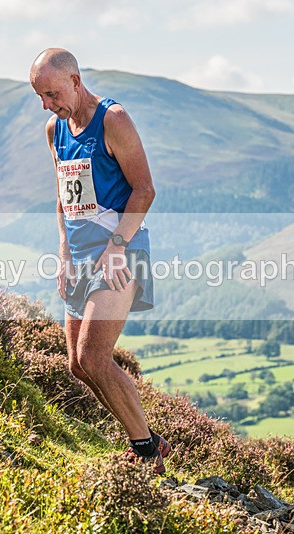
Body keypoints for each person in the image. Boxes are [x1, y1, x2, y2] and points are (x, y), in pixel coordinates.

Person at [29, 48, 171, 474]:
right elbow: (62, 199)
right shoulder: (55, 128)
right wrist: (64, 253)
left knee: (94, 356)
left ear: (75, 80)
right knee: (77, 365)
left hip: (120, 255)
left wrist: (115, 247)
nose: (46, 104)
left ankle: (147, 451)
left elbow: (144, 190)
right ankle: (144, 441)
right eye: (39, 96)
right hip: (81, 257)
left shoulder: (114, 120)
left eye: (52, 93)